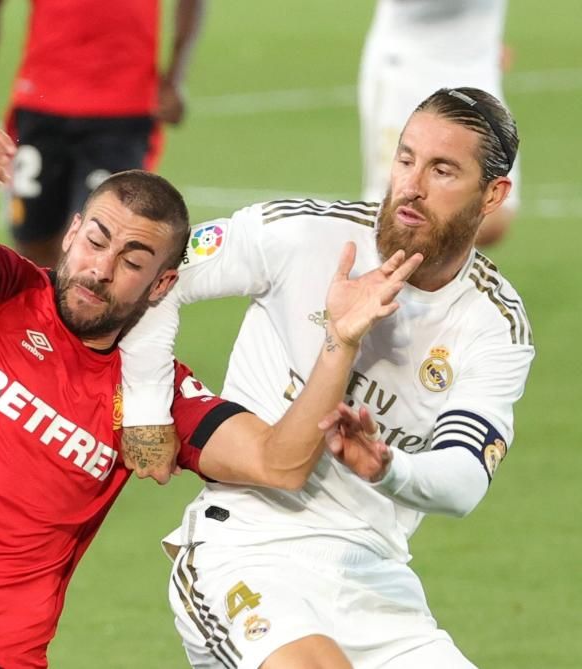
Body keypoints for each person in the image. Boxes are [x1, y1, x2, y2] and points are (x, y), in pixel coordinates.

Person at [0, 127, 421, 669]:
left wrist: (338, 341)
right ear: (72, 231)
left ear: (163, 282)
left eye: (133, 260)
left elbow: (280, 462)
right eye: (97, 240)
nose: (102, 268)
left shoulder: (156, 390)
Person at [122, 87, 534, 667]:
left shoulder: (492, 324)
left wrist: (391, 468)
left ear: (493, 194)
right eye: (406, 157)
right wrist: (143, 406)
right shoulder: (301, 235)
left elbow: (464, 477)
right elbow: (147, 278)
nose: (411, 185)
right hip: (247, 549)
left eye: (443, 170)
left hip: (376, 582)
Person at [0, 0, 206, 268]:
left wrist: (175, 79)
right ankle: (41, 313)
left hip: (121, 112)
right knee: (32, 245)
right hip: (40, 108)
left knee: (98, 244)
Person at [359, 0, 519, 246]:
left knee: (492, 215)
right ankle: (371, 277)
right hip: (410, 71)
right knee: (400, 212)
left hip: (475, 63)